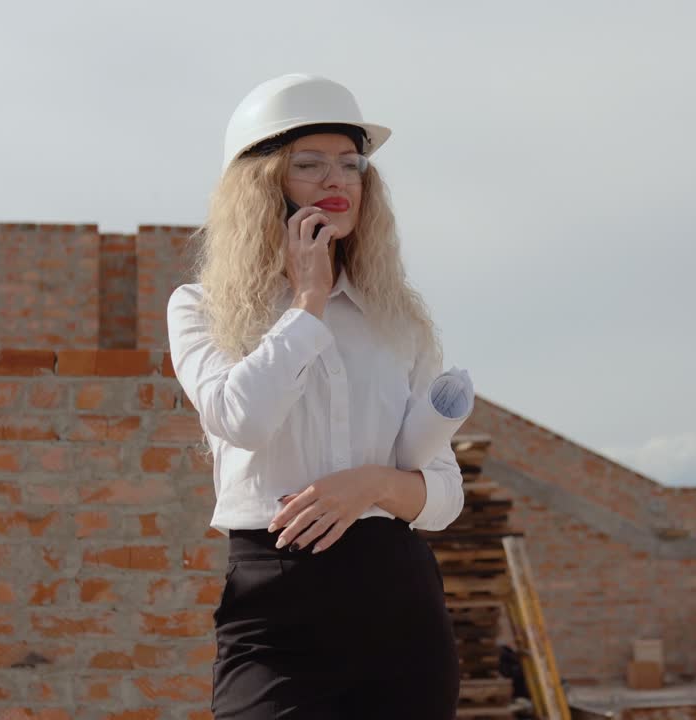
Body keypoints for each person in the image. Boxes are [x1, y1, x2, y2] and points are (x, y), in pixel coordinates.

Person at [166, 73, 464, 719]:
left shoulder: (399, 321)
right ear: (263, 184)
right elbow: (239, 420)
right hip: (276, 605)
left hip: (397, 600)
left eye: (350, 164)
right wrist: (308, 302)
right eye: (310, 164)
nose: (337, 180)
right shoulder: (200, 309)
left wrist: (373, 486)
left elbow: (443, 496)